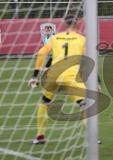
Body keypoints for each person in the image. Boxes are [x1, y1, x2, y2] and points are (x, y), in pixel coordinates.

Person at [28, 15, 86, 144]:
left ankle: (40, 136)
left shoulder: (55, 38)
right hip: (71, 75)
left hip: (54, 75)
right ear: (78, 24)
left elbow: (42, 53)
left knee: (44, 102)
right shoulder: (82, 39)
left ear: (65, 23)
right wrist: (96, 80)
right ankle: (92, 138)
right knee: (84, 105)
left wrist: (35, 76)